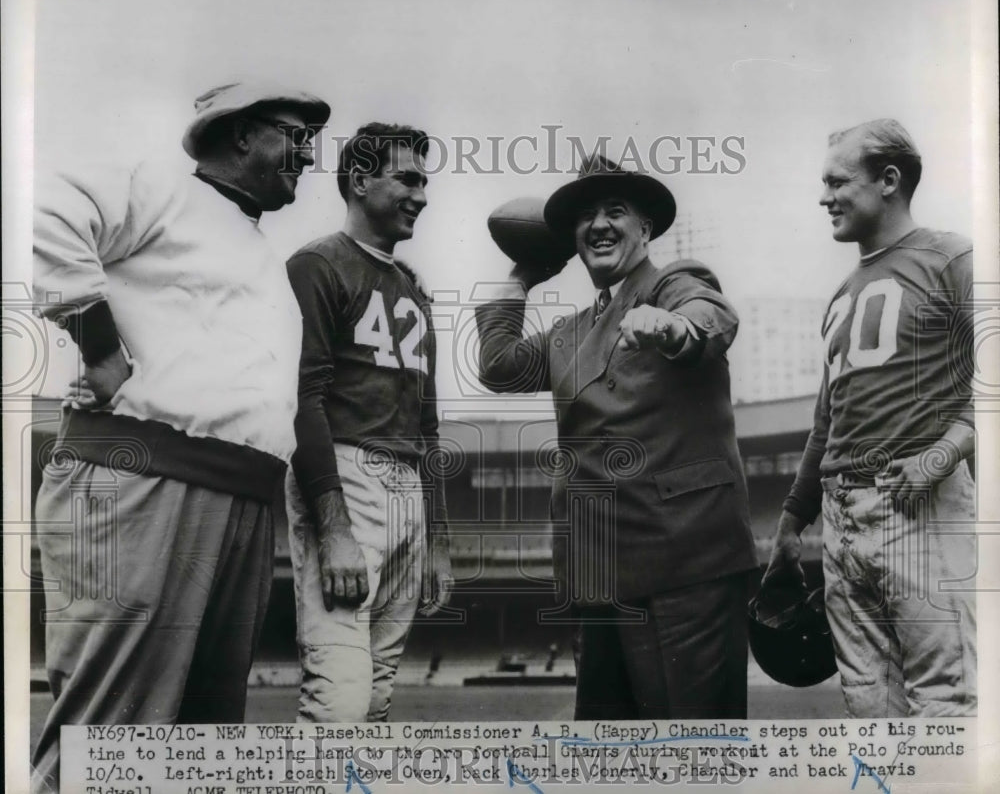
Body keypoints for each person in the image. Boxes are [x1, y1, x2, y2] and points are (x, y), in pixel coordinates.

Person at [30, 80, 330, 792]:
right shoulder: (166, 189)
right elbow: (43, 213)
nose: (310, 153)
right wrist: (98, 350)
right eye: (296, 133)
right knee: (109, 741)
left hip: (240, 501)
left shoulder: (258, 251)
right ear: (241, 134)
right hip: (144, 480)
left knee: (201, 751)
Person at [475, 155, 757, 719]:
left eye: (615, 211)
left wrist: (673, 328)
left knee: (693, 766)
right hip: (597, 577)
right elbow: (498, 365)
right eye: (585, 217)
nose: (599, 224)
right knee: (608, 763)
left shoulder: (674, 285)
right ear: (570, 240)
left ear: (646, 228)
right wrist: (521, 277)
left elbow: (710, 317)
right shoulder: (571, 332)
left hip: (683, 571)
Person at [764, 119, 977, 717]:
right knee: (869, 708)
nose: (823, 196)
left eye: (836, 180)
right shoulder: (840, 293)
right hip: (841, 517)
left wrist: (941, 455)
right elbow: (827, 418)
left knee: (946, 702)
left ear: (888, 180)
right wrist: (792, 518)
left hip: (918, 502)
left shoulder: (952, 257)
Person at [285, 123, 452, 723]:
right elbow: (303, 399)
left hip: (409, 489)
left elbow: (428, 421)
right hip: (347, 473)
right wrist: (332, 527)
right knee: (340, 699)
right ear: (360, 180)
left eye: (425, 181)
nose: (423, 196)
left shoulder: (411, 287)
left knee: (377, 696)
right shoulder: (316, 264)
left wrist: (437, 537)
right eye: (408, 178)